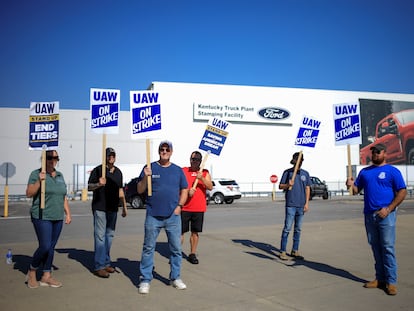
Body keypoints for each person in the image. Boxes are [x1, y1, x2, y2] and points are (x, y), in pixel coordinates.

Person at [346, 143, 406, 296]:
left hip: (386, 214)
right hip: (369, 214)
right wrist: (351, 185)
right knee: (375, 247)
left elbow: (402, 191)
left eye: (378, 152)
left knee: (387, 247)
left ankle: (391, 281)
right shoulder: (365, 172)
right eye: (373, 152)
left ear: (385, 153)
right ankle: (380, 279)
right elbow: (355, 191)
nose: (375, 155)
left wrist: (389, 208)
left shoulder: (392, 171)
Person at [137, 140, 188, 294]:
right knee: (148, 248)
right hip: (153, 215)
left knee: (176, 249)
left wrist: (180, 206)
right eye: (161, 149)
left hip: (173, 217)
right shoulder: (149, 167)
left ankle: (175, 277)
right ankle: (145, 280)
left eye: (167, 149)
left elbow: (184, 189)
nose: (164, 151)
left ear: (171, 152)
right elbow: (140, 190)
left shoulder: (178, 170)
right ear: (158, 151)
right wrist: (146, 177)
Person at [25, 149, 72, 288]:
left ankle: (46, 275)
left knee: (51, 247)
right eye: (50, 157)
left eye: (56, 157)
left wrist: (68, 213)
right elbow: (28, 193)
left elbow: (63, 196)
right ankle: (32, 271)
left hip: (57, 216)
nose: (53, 160)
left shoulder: (60, 175)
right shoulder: (36, 174)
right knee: (44, 246)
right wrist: (40, 181)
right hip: (42, 215)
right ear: (44, 158)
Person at [88, 147, 127, 278]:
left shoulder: (118, 172)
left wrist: (124, 207)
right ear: (104, 157)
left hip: (113, 208)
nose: (111, 157)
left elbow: (120, 191)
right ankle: (99, 266)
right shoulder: (98, 170)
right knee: (100, 237)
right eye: (109, 155)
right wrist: (99, 184)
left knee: (109, 236)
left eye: (113, 155)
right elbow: (89, 187)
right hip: (100, 207)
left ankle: (106, 262)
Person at [181, 151, 213, 264]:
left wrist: (202, 179)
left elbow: (210, 187)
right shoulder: (184, 171)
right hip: (184, 207)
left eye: (197, 159)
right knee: (180, 232)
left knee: (195, 232)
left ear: (200, 161)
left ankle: (192, 254)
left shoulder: (204, 172)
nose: (194, 161)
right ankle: (176, 254)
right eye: (192, 159)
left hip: (198, 208)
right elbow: (177, 184)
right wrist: (187, 191)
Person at [278, 152, 310, 261]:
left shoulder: (305, 174)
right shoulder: (288, 172)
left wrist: (306, 203)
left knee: (298, 229)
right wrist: (288, 185)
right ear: (294, 161)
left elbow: (307, 188)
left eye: (301, 160)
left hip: (301, 205)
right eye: (298, 160)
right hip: (291, 204)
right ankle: (282, 251)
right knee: (287, 228)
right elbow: (280, 185)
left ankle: (295, 250)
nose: (299, 163)